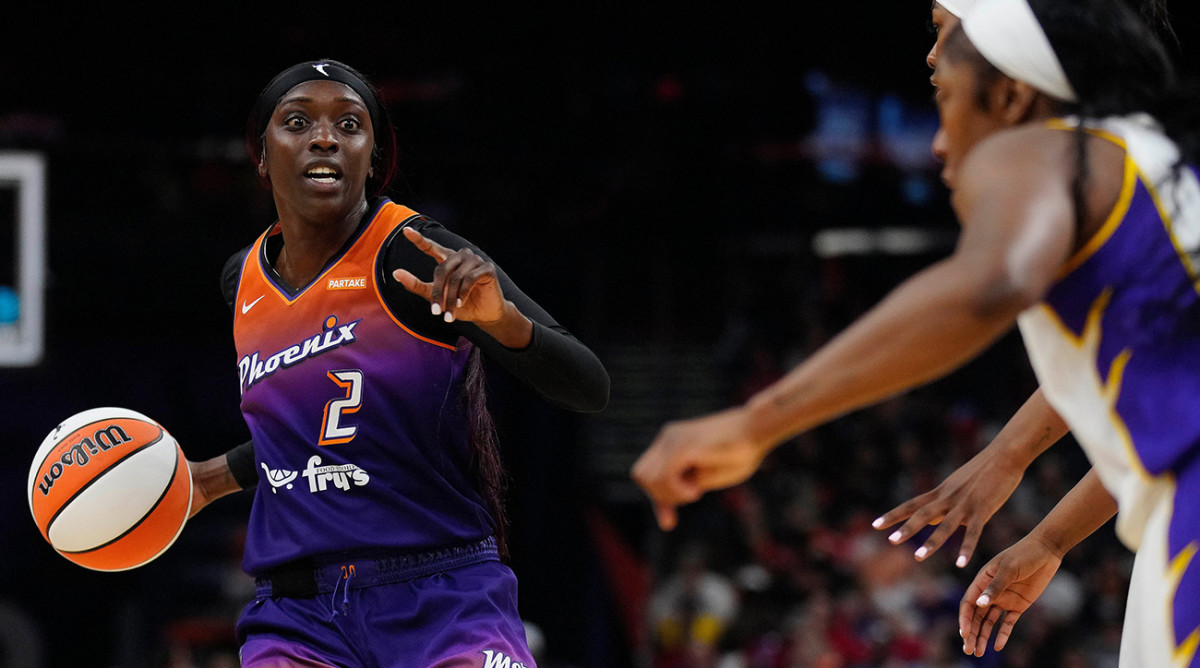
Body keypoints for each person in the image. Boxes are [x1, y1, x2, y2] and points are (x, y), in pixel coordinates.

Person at [630, 0, 1200, 664]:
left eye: (947, 98)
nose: (936, 142)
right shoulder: (1152, 168)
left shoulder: (1051, 149)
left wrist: (756, 423)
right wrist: (1044, 534)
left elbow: (989, 284)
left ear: (1013, 96)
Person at [184, 59, 610, 667]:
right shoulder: (243, 278)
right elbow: (322, 432)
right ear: (261, 156)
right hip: (299, 614)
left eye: (349, 124)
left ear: (373, 155)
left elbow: (589, 386)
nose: (324, 137)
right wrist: (210, 480)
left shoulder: (416, 253)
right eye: (298, 121)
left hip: (442, 594)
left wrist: (499, 322)